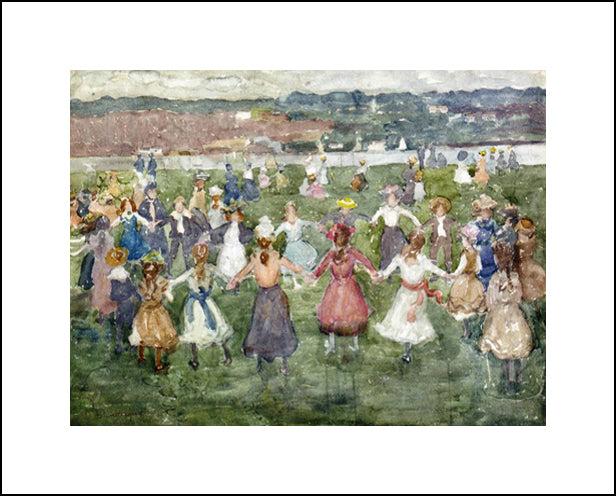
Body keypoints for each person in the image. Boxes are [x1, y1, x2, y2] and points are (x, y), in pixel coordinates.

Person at [226, 218, 308, 375]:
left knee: (272, 326)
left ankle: (277, 361)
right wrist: (235, 280)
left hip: (271, 296)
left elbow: (243, 272)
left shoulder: (269, 257)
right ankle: (274, 360)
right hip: (269, 296)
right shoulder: (263, 257)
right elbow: (293, 267)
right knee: (268, 326)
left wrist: (235, 280)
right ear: (271, 241)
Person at [375, 230, 454, 363]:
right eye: (414, 245)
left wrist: (447, 275)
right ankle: (407, 350)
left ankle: (407, 351)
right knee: (399, 318)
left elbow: (435, 269)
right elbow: (387, 271)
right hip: (404, 293)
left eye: (416, 246)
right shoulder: (400, 259)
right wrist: (380, 276)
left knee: (412, 318)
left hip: (418, 294)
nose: (414, 249)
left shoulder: (422, 260)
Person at [311, 224, 379, 354]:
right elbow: (365, 261)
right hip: (349, 287)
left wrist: (313, 277)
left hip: (336, 287)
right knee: (352, 315)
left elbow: (320, 268)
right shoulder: (351, 252)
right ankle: (355, 344)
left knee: (332, 315)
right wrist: (372, 272)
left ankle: (332, 345)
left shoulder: (332, 254)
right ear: (348, 239)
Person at [478, 242, 534, 395]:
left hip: (501, 315)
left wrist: (492, 307)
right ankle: (516, 379)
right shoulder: (514, 277)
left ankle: (511, 381)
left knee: (507, 348)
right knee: (514, 347)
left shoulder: (496, 278)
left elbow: (491, 300)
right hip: (513, 313)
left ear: (498, 260)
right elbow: (518, 297)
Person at [171, 242, 234, 370]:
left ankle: (195, 360)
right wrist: (231, 283)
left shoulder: (192, 272)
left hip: (195, 304)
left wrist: (165, 284)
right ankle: (227, 355)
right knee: (217, 327)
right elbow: (225, 278)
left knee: (194, 328)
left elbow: (176, 281)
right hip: (207, 302)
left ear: (194, 257)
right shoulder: (211, 269)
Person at [129, 252, 179, 373]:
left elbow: (169, 297)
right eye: (147, 273)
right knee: (145, 334)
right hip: (147, 312)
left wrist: (164, 292)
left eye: (151, 273)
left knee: (156, 336)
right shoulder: (145, 283)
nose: (149, 275)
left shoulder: (158, 282)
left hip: (155, 311)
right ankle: (144, 357)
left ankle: (155, 362)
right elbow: (144, 295)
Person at [71, 215, 117, 323]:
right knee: (105, 287)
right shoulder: (109, 238)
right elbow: (110, 252)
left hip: (97, 265)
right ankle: (105, 312)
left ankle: (100, 312)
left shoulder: (93, 237)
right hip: (105, 266)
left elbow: (87, 248)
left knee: (99, 287)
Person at [446, 223, 487, 338]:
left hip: (464, 281)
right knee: (473, 306)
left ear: (469, 241)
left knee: (463, 306)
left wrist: (452, 276)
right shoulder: (477, 253)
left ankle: (468, 330)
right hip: (474, 280)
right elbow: (479, 268)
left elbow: (460, 269)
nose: (462, 242)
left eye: (464, 240)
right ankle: (476, 328)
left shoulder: (465, 254)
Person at [370, 184, 421, 270]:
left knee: (401, 246)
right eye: (390, 199)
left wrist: (418, 224)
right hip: (387, 230)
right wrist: (373, 221)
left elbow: (410, 215)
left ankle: (399, 267)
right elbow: (376, 215)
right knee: (386, 249)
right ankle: (385, 267)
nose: (391, 201)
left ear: (396, 199)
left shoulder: (398, 209)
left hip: (396, 230)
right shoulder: (384, 209)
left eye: (393, 199)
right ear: (387, 199)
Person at [274, 201, 319, 289]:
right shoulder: (285, 225)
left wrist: (316, 225)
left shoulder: (299, 222)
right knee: (293, 262)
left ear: (295, 213)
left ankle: (308, 276)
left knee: (304, 259)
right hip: (291, 247)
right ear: (286, 214)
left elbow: (308, 223)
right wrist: (271, 236)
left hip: (300, 244)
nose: (291, 214)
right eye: (289, 212)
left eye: (293, 211)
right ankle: (297, 280)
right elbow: (276, 232)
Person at [106, 247, 140, 354]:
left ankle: (126, 344)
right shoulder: (116, 278)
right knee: (123, 324)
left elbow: (131, 288)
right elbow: (115, 294)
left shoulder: (122, 275)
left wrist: (135, 295)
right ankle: (121, 345)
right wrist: (132, 295)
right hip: (124, 303)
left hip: (126, 302)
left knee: (125, 324)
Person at [209, 202, 254, 282]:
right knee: (226, 266)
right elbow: (217, 232)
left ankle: (236, 281)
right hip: (227, 248)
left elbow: (245, 236)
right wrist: (214, 236)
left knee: (237, 265)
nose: (234, 216)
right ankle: (227, 281)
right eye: (232, 215)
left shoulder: (241, 226)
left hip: (237, 248)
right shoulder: (227, 226)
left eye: (236, 215)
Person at [421, 196, 461, 277]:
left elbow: (456, 225)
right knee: (433, 253)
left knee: (448, 253)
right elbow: (425, 225)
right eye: (438, 209)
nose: (439, 211)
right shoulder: (433, 220)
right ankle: (435, 272)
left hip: (446, 239)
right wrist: (421, 228)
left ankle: (448, 270)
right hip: (436, 239)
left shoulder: (447, 219)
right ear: (435, 210)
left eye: (441, 209)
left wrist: (459, 228)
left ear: (445, 211)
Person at [514, 218, 546, 302]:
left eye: (521, 232)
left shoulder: (529, 243)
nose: (519, 233)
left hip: (526, 266)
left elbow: (524, 256)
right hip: (518, 266)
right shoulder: (517, 242)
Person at [137, 182, 169, 266]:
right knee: (147, 242)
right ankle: (147, 261)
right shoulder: (143, 205)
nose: (154, 193)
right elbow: (140, 217)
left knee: (161, 242)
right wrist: (148, 224)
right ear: (147, 193)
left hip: (158, 228)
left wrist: (157, 223)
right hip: (147, 229)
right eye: (152, 191)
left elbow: (164, 217)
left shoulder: (159, 204)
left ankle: (162, 261)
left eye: (155, 191)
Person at [472, 194, 499, 289]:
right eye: (483, 212)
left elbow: (497, 233)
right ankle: (480, 286)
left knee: (489, 263)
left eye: (487, 212)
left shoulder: (492, 222)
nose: (485, 214)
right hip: (478, 246)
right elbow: (472, 233)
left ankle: (489, 285)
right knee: (478, 265)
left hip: (488, 246)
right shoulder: (476, 223)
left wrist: (496, 241)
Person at [166, 196, 197, 275]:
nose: (179, 208)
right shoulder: (173, 215)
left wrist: (190, 217)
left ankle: (188, 268)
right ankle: (168, 271)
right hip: (176, 235)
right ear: (175, 207)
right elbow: (165, 221)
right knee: (172, 253)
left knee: (186, 252)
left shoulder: (187, 214)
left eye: (181, 205)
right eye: (177, 206)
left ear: (184, 206)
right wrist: (172, 218)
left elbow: (193, 223)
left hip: (185, 235)